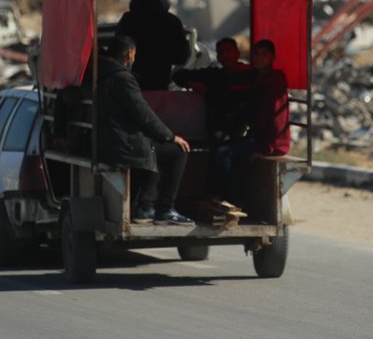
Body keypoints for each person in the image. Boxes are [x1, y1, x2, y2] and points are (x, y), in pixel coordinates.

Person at [96, 34, 194, 225]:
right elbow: (144, 115)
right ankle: (163, 208)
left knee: (154, 146)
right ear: (130, 54)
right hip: (122, 145)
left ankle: (146, 206)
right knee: (177, 151)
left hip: (109, 141)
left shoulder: (100, 74)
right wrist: (171, 136)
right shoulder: (123, 78)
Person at [213, 39, 291, 204]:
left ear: (272, 57)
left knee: (223, 154)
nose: (259, 58)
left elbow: (278, 118)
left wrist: (266, 149)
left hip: (271, 142)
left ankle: (234, 202)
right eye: (256, 54)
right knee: (220, 148)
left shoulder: (275, 80)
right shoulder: (258, 79)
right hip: (257, 137)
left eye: (264, 55)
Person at [172, 37, 253, 140]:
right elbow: (178, 75)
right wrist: (191, 84)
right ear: (218, 57)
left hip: (244, 132)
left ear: (237, 54)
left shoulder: (250, 74)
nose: (225, 55)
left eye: (229, 51)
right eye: (221, 52)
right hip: (218, 132)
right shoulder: (213, 75)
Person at [116, 0, 190, 91]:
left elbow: (117, 51)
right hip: (161, 83)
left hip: (133, 84)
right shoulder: (172, 21)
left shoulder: (128, 20)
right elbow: (181, 56)